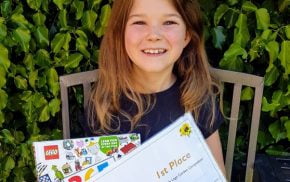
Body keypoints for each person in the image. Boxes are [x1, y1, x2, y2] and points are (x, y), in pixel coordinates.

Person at [85, 0, 226, 175]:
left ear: (187, 35)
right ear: (120, 33)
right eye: (139, 22)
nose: (154, 35)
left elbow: (217, 175)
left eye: (169, 22)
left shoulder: (199, 100)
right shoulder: (103, 106)